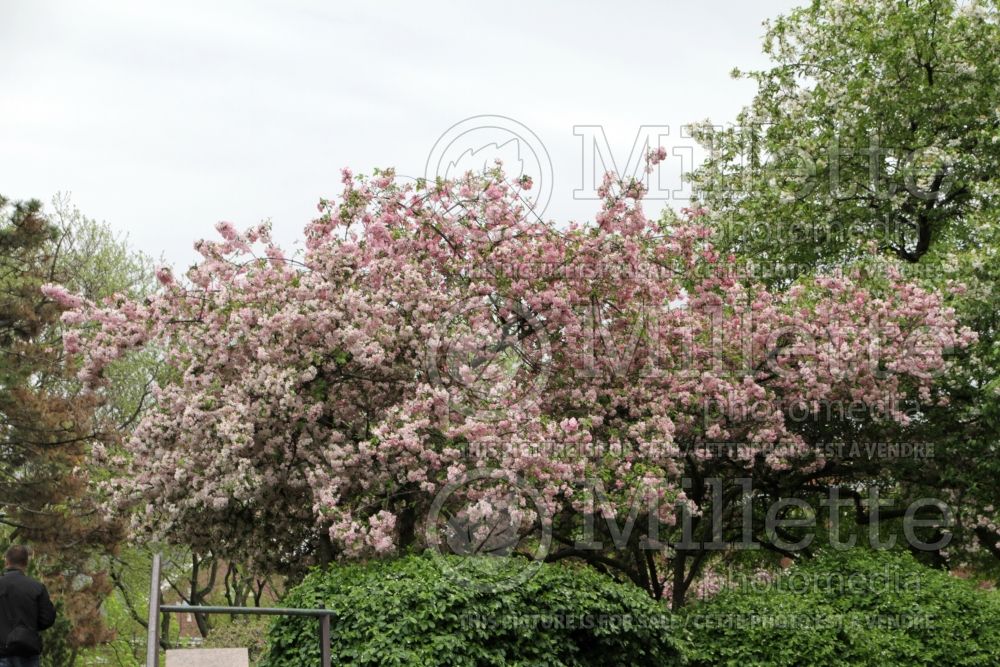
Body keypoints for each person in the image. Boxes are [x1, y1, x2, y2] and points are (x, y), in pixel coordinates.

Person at [0, 546, 56, 667]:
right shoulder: (37, 587)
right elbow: (47, 619)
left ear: (6, 561)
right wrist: (29, 625)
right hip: (28, 650)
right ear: (26, 563)